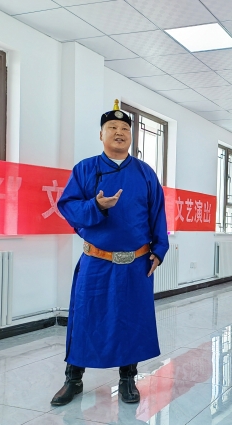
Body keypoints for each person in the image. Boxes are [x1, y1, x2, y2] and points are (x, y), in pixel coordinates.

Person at [51, 100, 169, 406]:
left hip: (136, 263)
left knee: (131, 320)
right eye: (112, 127)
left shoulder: (145, 173)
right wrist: (96, 206)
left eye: (125, 128)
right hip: (96, 261)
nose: (119, 132)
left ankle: (128, 378)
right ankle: (73, 379)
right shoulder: (85, 169)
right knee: (85, 318)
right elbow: (68, 206)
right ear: (101, 135)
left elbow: (158, 213)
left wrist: (159, 250)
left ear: (131, 136)